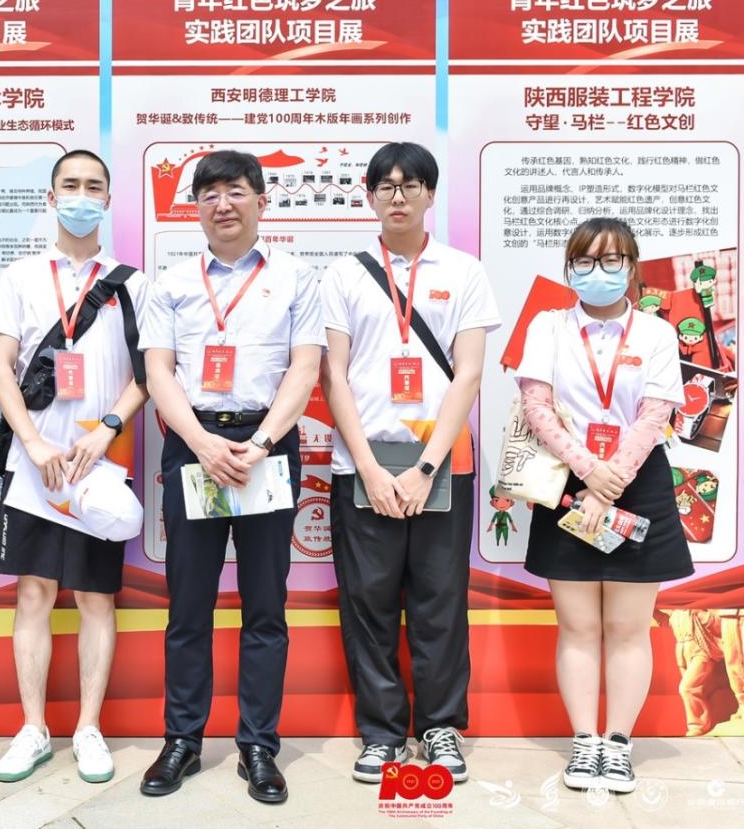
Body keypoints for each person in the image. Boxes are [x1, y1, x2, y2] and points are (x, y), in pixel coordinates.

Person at [138, 149, 323, 804]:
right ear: (195, 207)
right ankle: (182, 739)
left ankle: (258, 745)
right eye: (209, 193)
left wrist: (262, 443)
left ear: (261, 201)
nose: (223, 203)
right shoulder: (170, 282)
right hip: (194, 446)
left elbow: (305, 368)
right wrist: (201, 443)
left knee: (265, 605)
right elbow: (158, 372)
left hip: (267, 445)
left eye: (236, 190)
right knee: (188, 604)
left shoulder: (297, 276)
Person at [319, 142, 500, 785]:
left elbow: (469, 373)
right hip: (362, 465)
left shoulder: (464, 270)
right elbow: (334, 375)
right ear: (369, 196)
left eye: (411, 184)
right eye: (386, 185)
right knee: (367, 602)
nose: (398, 196)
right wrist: (369, 466)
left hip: (441, 464)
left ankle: (441, 727)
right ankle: (381, 734)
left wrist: (425, 468)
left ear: (430, 194)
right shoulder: (343, 275)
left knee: (440, 601)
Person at [0, 150, 149, 785]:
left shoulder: (132, 284)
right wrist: (32, 444)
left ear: (108, 199)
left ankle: (88, 729)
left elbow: (150, 373)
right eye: (70, 185)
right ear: (51, 198)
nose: (81, 195)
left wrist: (107, 430)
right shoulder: (22, 276)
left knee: (97, 596)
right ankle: (33, 728)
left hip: (99, 467)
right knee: (34, 593)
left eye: (93, 186)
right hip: (34, 465)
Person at [514, 217, 693, 793]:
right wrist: (589, 472)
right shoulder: (548, 326)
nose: (598, 272)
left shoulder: (657, 332)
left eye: (612, 261)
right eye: (585, 261)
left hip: (637, 480)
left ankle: (617, 744)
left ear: (631, 267)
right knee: (578, 625)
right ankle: (584, 742)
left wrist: (608, 480)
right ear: (570, 268)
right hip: (565, 478)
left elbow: (656, 413)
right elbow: (536, 407)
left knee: (627, 626)